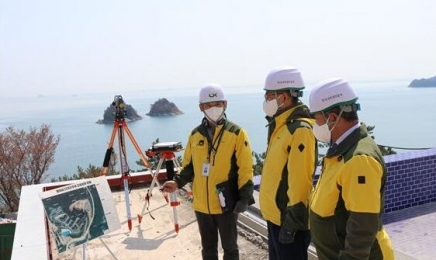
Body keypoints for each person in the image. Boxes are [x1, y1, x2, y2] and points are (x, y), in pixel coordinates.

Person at [162, 83, 254, 260]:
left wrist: (244, 198)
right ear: (201, 107)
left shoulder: (237, 133)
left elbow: (245, 168)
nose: (214, 108)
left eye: (218, 104)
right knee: (208, 249)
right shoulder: (195, 135)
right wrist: (176, 182)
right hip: (202, 205)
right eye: (209, 105)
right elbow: (188, 166)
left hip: (226, 203)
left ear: (225, 104)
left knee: (230, 248)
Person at [308, 78, 394, 259]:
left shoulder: (359, 160)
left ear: (332, 118)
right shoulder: (342, 149)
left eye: (317, 119)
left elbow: (362, 229)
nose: (315, 126)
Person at [259, 67, 318, 260]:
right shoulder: (281, 125)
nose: (266, 100)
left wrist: (291, 226)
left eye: (269, 96)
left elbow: (301, 181)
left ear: (283, 97)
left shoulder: (299, 130)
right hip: (276, 218)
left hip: (289, 223)